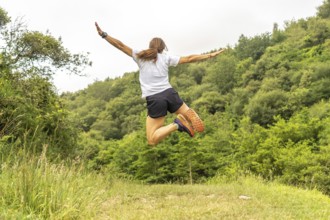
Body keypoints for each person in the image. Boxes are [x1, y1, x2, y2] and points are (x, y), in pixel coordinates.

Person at [95, 22, 225, 145]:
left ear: (150, 46)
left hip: (155, 99)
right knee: (186, 113)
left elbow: (120, 45)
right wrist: (210, 55)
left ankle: (177, 124)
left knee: (152, 140)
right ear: (163, 48)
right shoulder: (166, 57)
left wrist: (104, 35)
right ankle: (187, 116)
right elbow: (189, 58)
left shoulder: (140, 56)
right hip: (170, 94)